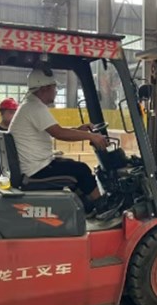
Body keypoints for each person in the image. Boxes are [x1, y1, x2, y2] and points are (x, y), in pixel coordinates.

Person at [9, 68, 113, 218]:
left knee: (72, 166)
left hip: (35, 165)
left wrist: (79, 130)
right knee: (82, 169)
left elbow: (56, 129)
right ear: (44, 88)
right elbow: (58, 133)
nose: (56, 91)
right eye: (54, 87)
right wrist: (92, 137)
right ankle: (104, 208)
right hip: (36, 170)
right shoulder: (35, 107)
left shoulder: (30, 105)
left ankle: (87, 207)